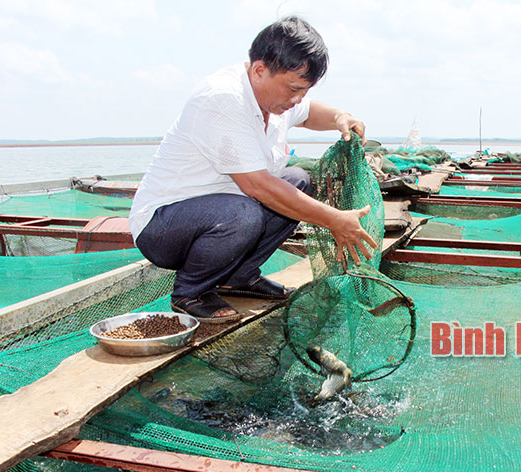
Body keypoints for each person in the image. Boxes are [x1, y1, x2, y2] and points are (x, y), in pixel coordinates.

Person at [129, 16, 377, 324]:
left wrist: (340, 116)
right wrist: (335, 221)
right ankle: (190, 292)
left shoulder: (276, 98)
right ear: (259, 70)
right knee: (245, 211)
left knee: (297, 181)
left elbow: (310, 111)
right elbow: (258, 186)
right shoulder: (223, 98)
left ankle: (240, 277)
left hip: (224, 212)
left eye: (304, 89)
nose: (297, 98)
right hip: (162, 227)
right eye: (293, 89)